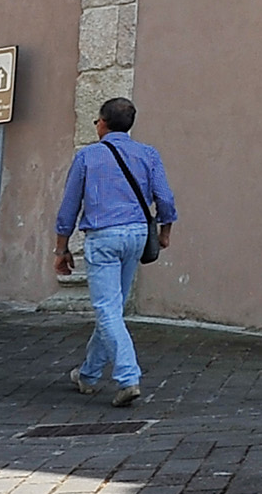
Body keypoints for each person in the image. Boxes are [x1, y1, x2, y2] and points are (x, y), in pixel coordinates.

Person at [57, 96, 176, 407]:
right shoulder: (148, 154)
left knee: (107, 310)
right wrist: (164, 232)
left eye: (97, 120)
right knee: (113, 308)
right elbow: (165, 197)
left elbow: (69, 206)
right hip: (136, 235)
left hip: (103, 237)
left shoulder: (88, 157)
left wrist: (61, 248)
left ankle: (128, 377)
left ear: (103, 123)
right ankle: (88, 374)